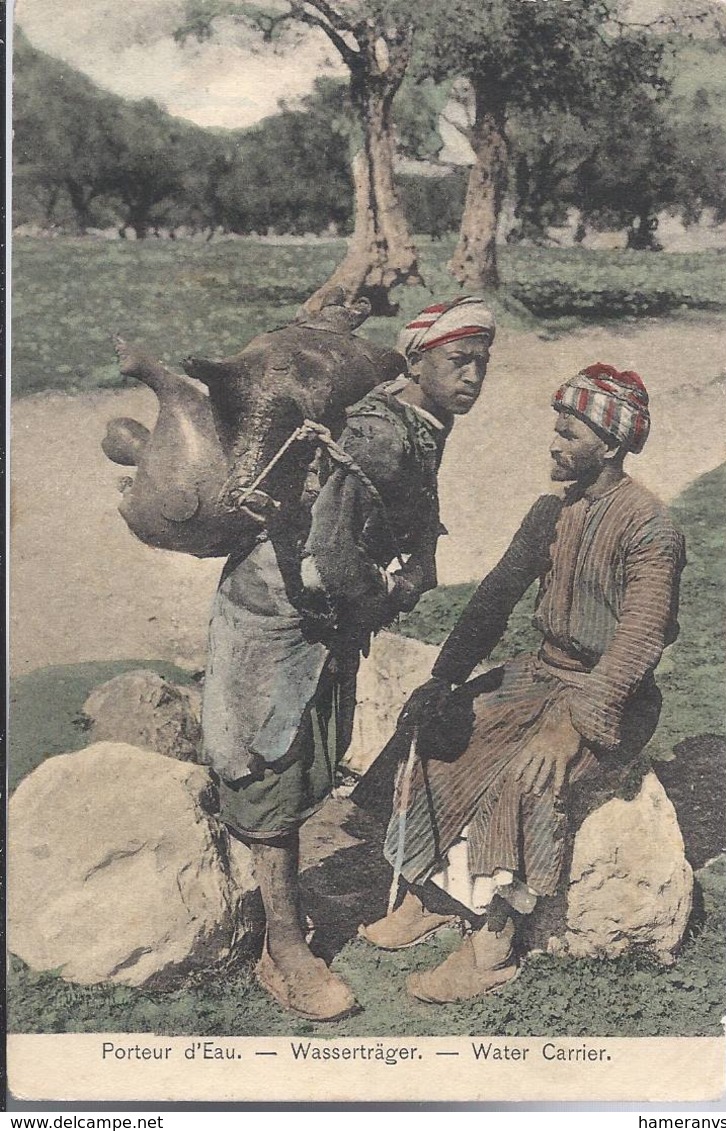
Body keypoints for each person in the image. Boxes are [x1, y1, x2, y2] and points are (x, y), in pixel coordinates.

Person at [200, 296, 496, 1021]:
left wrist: (419, 557)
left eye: (484, 361)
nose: (474, 374)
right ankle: (282, 947)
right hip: (274, 612)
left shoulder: (423, 422)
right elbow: (329, 551)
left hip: (317, 615)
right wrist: (389, 597)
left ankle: (280, 905)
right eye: (460, 360)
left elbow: (410, 508)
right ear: (417, 359)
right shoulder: (379, 434)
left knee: (308, 762)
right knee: (272, 763)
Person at [361, 363, 686, 1003]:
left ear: (611, 446)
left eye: (570, 433)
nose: (554, 443)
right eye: (556, 430)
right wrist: (444, 677)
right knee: (444, 730)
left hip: (610, 699)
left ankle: (492, 946)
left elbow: (639, 640)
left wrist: (571, 728)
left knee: (529, 775)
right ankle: (434, 894)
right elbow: (494, 600)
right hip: (539, 677)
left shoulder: (653, 528)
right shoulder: (550, 513)